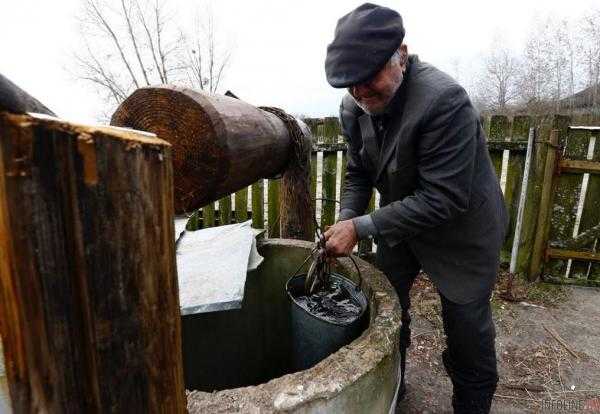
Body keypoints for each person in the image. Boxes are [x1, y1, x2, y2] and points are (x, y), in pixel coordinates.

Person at [322, 3, 508, 413]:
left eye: (368, 79)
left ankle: (472, 405)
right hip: (402, 225)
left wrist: (362, 227)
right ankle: (394, 387)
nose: (360, 92)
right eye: (349, 83)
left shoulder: (445, 102)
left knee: (466, 334)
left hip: (462, 230)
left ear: (401, 56)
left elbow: (443, 197)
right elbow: (359, 173)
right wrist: (345, 221)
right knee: (387, 310)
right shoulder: (355, 107)